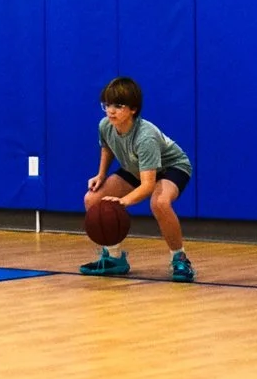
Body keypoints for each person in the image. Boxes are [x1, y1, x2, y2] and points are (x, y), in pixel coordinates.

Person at [83, 76, 195, 281]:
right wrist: (101, 174)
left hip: (171, 167)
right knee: (92, 199)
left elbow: (148, 185)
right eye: (107, 105)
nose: (111, 110)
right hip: (136, 167)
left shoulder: (146, 136)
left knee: (160, 202)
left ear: (133, 109)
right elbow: (107, 147)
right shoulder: (105, 125)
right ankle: (114, 258)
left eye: (118, 105)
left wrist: (123, 201)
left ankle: (179, 258)